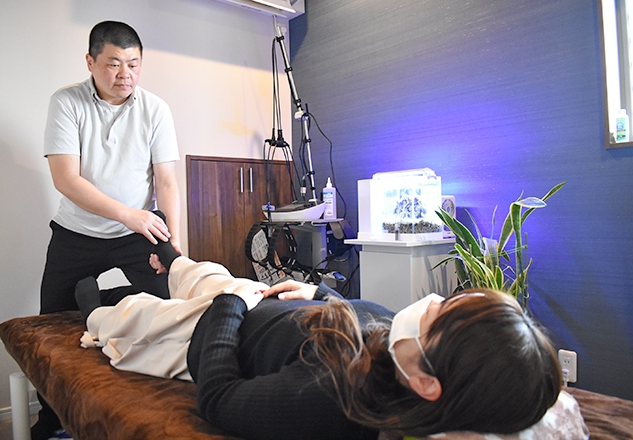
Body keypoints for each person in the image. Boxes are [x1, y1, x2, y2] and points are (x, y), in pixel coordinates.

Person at [75, 238, 563, 440]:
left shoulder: (333, 396)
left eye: (440, 315)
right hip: (262, 302)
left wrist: (230, 306)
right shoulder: (404, 351)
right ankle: (169, 260)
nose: (432, 302)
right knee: (199, 269)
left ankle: (96, 298)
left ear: (428, 384)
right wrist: (321, 293)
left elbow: (219, 399)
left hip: (206, 333)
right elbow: (365, 319)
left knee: (117, 319)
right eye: (449, 300)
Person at [35, 20, 181, 440]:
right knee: (52, 327)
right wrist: (129, 215)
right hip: (76, 234)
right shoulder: (66, 102)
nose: (125, 75)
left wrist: (172, 246)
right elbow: (66, 179)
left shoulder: (155, 109)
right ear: (90, 62)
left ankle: (155, 408)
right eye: (114, 64)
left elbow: (167, 182)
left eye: (133, 64)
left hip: (138, 234)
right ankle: (52, 420)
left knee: (170, 312)